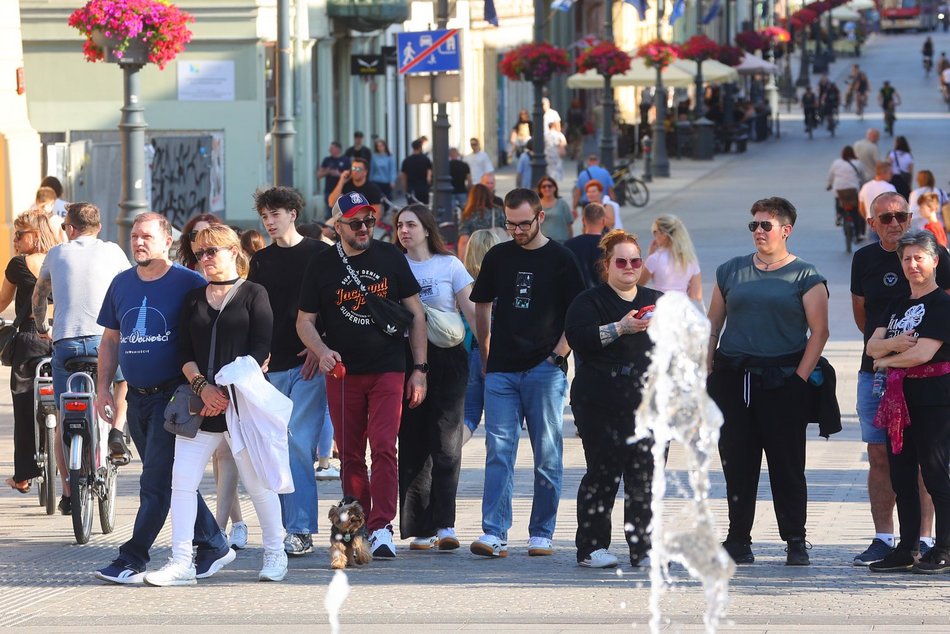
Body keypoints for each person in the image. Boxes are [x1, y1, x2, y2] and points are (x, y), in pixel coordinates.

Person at [92, 213, 233, 584]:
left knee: (154, 481)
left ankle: (132, 557)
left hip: (174, 397)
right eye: (134, 236)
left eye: (147, 237)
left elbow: (213, 330)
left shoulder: (189, 282)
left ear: (167, 240)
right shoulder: (121, 283)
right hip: (136, 398)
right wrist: (103, 387)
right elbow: (110, 339)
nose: (138, 242)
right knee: (170, 476)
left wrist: (206, 386)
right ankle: (214, 543)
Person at [143, 225, 287, 586]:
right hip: (200, 403)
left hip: (242, 404)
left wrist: (220, 389)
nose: (205, 259)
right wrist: (203, 389)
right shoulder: (194, 298)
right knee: (182, 483)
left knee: (257, 484)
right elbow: (184, 353)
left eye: (212, 252)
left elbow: (260, 349)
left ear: (234, 251)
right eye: (199, 254)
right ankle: (181, 561)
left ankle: (275, 551)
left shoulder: (255, 293)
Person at [296, 191, 428, 559]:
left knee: (384, 446)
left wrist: (419, 370)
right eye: (355, 223)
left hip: (389, 367)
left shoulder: (389, 256)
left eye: (369, 220)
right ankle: (358, 526)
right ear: (337, 227)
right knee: (351, 454)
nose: (364, 228)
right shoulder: (322, 264)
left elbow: (416, 314)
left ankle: (383, 525)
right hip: (343, 373)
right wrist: (322, 352)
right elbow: (304, 321)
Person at [707, 197, 830, 566]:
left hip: (783, 381)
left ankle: (795, 539)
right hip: (734, 380)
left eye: (766, 225)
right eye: (754, 225)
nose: (758, 232)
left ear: (786, 230)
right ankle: (738, 539)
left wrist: (799, 380)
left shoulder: (805, 275)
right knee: (737, 463)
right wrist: (707, 370)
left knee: (787, 464)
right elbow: (712, 324)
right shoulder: (730, 270)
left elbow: (820, 332)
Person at [468, 187, 585, 558]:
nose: (516, 231)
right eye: (509, 224)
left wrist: (557, 355)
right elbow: (482, 305)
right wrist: (485, 351)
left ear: (540, 218)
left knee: (547, 453)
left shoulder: (562, 259)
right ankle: (494, 531)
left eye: (522, 224)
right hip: (501, 369)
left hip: (544, 370)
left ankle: (542, 532)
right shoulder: (498, 256)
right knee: (498, 451)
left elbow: (577, 314)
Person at [850, 191, 945, 566]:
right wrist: (890, 348)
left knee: (930, 466)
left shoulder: (938, 281)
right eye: (884, 218)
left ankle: (932, 542)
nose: (893, 223)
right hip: (886, 386)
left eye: (900, 216)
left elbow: (931, 337)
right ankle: (894, 542)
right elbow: (866, 329)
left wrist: (891, 355)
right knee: (890, 464)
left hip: (930, 387)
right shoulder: (873, 270)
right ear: (871, 223)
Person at [565, 229, 661, 568]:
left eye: (635, 261)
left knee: (644, 475)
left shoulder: (657, 298)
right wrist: (620, 327)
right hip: (599, 399)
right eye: (621, 261)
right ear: (607, 265)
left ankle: (643, 548)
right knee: (603, 472)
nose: (629, 267)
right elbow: (580, 339)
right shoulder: (589, 301)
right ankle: (592, 548)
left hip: (647, 401)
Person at [32, 202, 131, 514]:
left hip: (67, 344)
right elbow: (128, 288)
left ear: (69, 228)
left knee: (63, 415)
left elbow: (38, 295)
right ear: (98, 227)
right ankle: (117, 429)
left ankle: (67, 493)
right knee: (123, 382)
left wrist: (41, 327)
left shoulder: (57, 253)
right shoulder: (114, 251)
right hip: (105, 340)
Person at [249, 186, 330, 557]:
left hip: (308, 363)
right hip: (271, 365)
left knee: (298, 441)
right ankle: (284, 527)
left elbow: (335, 304)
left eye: (275, 215)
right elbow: (256, 314)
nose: (269, 222)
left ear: (293, 214)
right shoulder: (260, 260)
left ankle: (299, 529)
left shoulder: (319, 253)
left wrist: (321, 344)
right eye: (265, 217)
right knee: (275, 445)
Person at [393, 204, 477, 551]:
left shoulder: (449, 265)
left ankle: (446, 524)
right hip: (406, 358)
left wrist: (490, 353)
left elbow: (472, 311)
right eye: (399, 225)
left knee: (445, 442)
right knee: (412, 442)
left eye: (411, 224)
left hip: (448, 357)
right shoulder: (393, 266)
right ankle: (420, 527)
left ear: (427, 229)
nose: (404, 231)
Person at [2, 211, 56, 494]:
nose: (15, 239)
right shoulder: (62, 260)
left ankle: (23, 474)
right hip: (61, 338)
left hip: (29, 340)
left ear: (35, 235)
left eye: (20, 234)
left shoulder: (18, 265)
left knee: (23, 406)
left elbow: (1, 301)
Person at [460, 228, 509, 444]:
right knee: (500, 421)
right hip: (499, 354)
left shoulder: (461, 283)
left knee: (469, 417)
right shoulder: (502, 282)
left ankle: (446, 454)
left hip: (469, 353)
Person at [640, 214, 702, 304]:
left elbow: (637, 285)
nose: (654, 236)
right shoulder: (690, 260)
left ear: (664, 235)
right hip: (683, 310)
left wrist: (649, 255)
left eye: (655, 232)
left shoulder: (654, 259)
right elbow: (696, 295)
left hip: (662, 308)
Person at [565, 203, 609, 290]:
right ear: (604, 221)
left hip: (578, 296)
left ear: (583, 220)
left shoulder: (569, 245)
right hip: (605, 295)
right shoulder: (611, 245)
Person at [457, 184, 505, 262]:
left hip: (476, 255)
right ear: (488, 196)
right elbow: (507, 230)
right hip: (496, 252)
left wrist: (462, 261)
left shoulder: (468, 215)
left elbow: (464, 240)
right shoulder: (498, 211)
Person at [826, 146, 865, 228]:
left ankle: (839, 215)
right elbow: (862, 177)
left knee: (838, 198)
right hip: (853, 190)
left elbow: (831, 176)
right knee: (855, 210)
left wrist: (829, 185)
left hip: (839, 189)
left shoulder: (836, 162)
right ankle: (858, 234)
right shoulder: (858, 163)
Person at [859, 162, 897, 237]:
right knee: (887, 248)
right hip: (886, 223)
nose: (892, 175)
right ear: (884, 173)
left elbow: (861, 208)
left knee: (871, 247)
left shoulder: (865, 187)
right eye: (890, 173)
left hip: (871, 223)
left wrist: (868, 218)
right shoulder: (889, 187)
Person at [317, 142, 350, 217]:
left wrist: (339, 174)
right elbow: (319, 175)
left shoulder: (346, 160)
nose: (329, 150)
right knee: (329, 213)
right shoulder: (327, 160)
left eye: (332, 148)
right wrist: (328, 171)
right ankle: (329, 227)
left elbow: (350, 177)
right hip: (329, 191)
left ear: (338, 149)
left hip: (342, 191)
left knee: (342, 213)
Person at [537, 176, 573, 243]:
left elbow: (569, 224)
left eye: (549, 186)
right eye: (544, 186)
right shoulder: (536, 205)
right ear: (540, 189)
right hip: (542, 243)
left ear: (555, 188)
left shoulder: (562, 204)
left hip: (561, 242)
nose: (547, 188)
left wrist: (570, 242)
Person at [401, 139, 433, 204]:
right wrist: (429, 184)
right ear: (420, 147)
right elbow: (429, 176)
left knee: (412, 208)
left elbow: (403, 175)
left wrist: (405, 187)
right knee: (423, 207)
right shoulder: (426, 159)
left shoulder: (407, 160)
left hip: (411, 187)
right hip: (423, 187)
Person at [448, 147, 472, 211]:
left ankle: (453, 220)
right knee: (465, 210)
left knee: (452, 211)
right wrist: (469, 188)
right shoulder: (464, 165)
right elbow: (469, 179)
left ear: (449, 155)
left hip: (451, 191)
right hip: (462, 190)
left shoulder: (447, 165)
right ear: (458, 154)